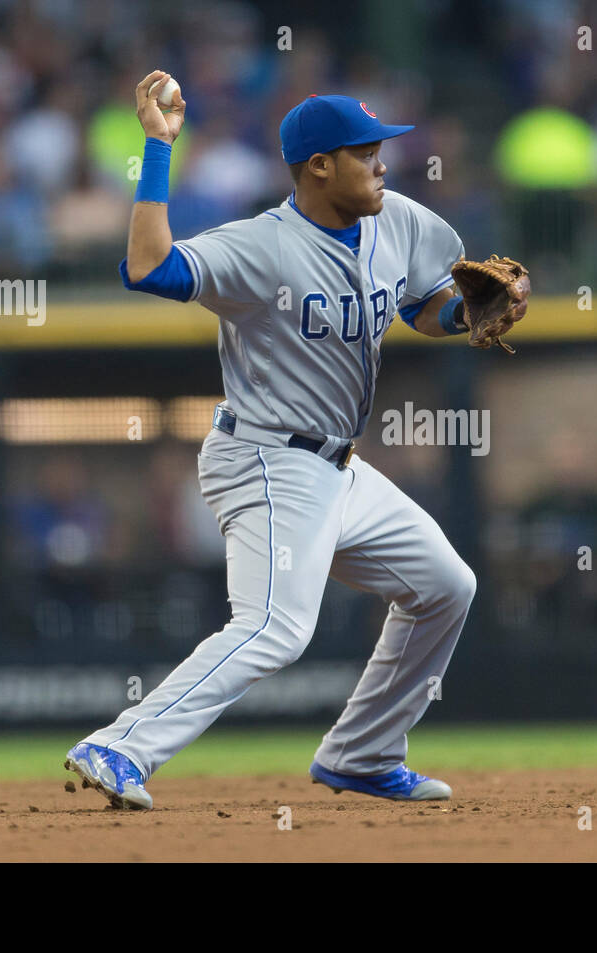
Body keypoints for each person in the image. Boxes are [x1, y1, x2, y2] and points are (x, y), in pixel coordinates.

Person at [64, 72, 527, 808]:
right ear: (318, 166)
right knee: (276, 626)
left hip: (341, 469)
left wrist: (462, 318)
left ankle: (363, 752)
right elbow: (149, 268)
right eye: (365, 153)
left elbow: (425, 303)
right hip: (266, 459)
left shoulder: (398, 220)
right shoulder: (263, 248)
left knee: (446, 586)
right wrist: (158, 150)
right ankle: (119, 745)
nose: (383, 165)